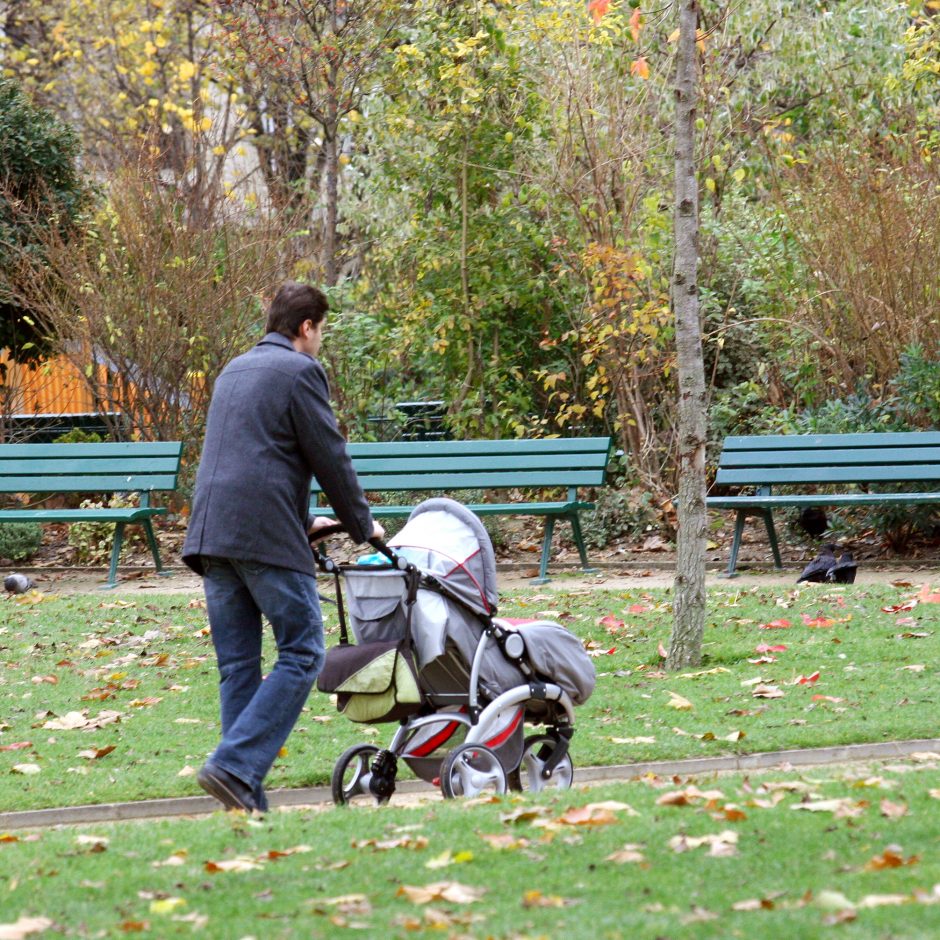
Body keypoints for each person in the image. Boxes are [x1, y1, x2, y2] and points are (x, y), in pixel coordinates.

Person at [182, 281, 383, 812]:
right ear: (306, 327)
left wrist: (305, 517)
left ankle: (242, 798)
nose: (321, 341)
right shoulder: (301, 371)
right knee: (303, 651)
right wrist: (364, 527)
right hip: (263, 537)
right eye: (322, 330)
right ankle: (234, 765)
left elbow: (252, 456)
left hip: (212, 534)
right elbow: (329, 457)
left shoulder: (233, 370)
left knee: (238, 667)